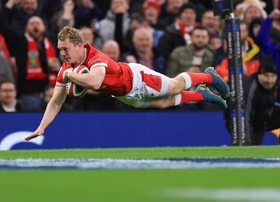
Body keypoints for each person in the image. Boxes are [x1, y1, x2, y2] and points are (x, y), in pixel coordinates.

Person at [25, 27, 229, 141]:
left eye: (65, 49)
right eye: (60, 49)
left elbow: (95, 82)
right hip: (124, 94)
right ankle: (203, 94)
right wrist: (41, 127)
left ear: (80, 45)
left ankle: (209, 76)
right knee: (162, 104)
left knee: (175, 86)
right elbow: (55, 102)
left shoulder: (96, 57)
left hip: (137, 78)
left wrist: (69, 75)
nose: (62, 54)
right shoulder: (67, 67)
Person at [236, 57, 280, 145]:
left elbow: (279, 91)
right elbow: (245, 117)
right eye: (266, 76)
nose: (269, 80)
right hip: (245, 120)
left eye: (272, 76)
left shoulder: (274, 81)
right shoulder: (250, 90)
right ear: (259, 75)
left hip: (264, 114)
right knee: (252, 150)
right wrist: (247, 141)